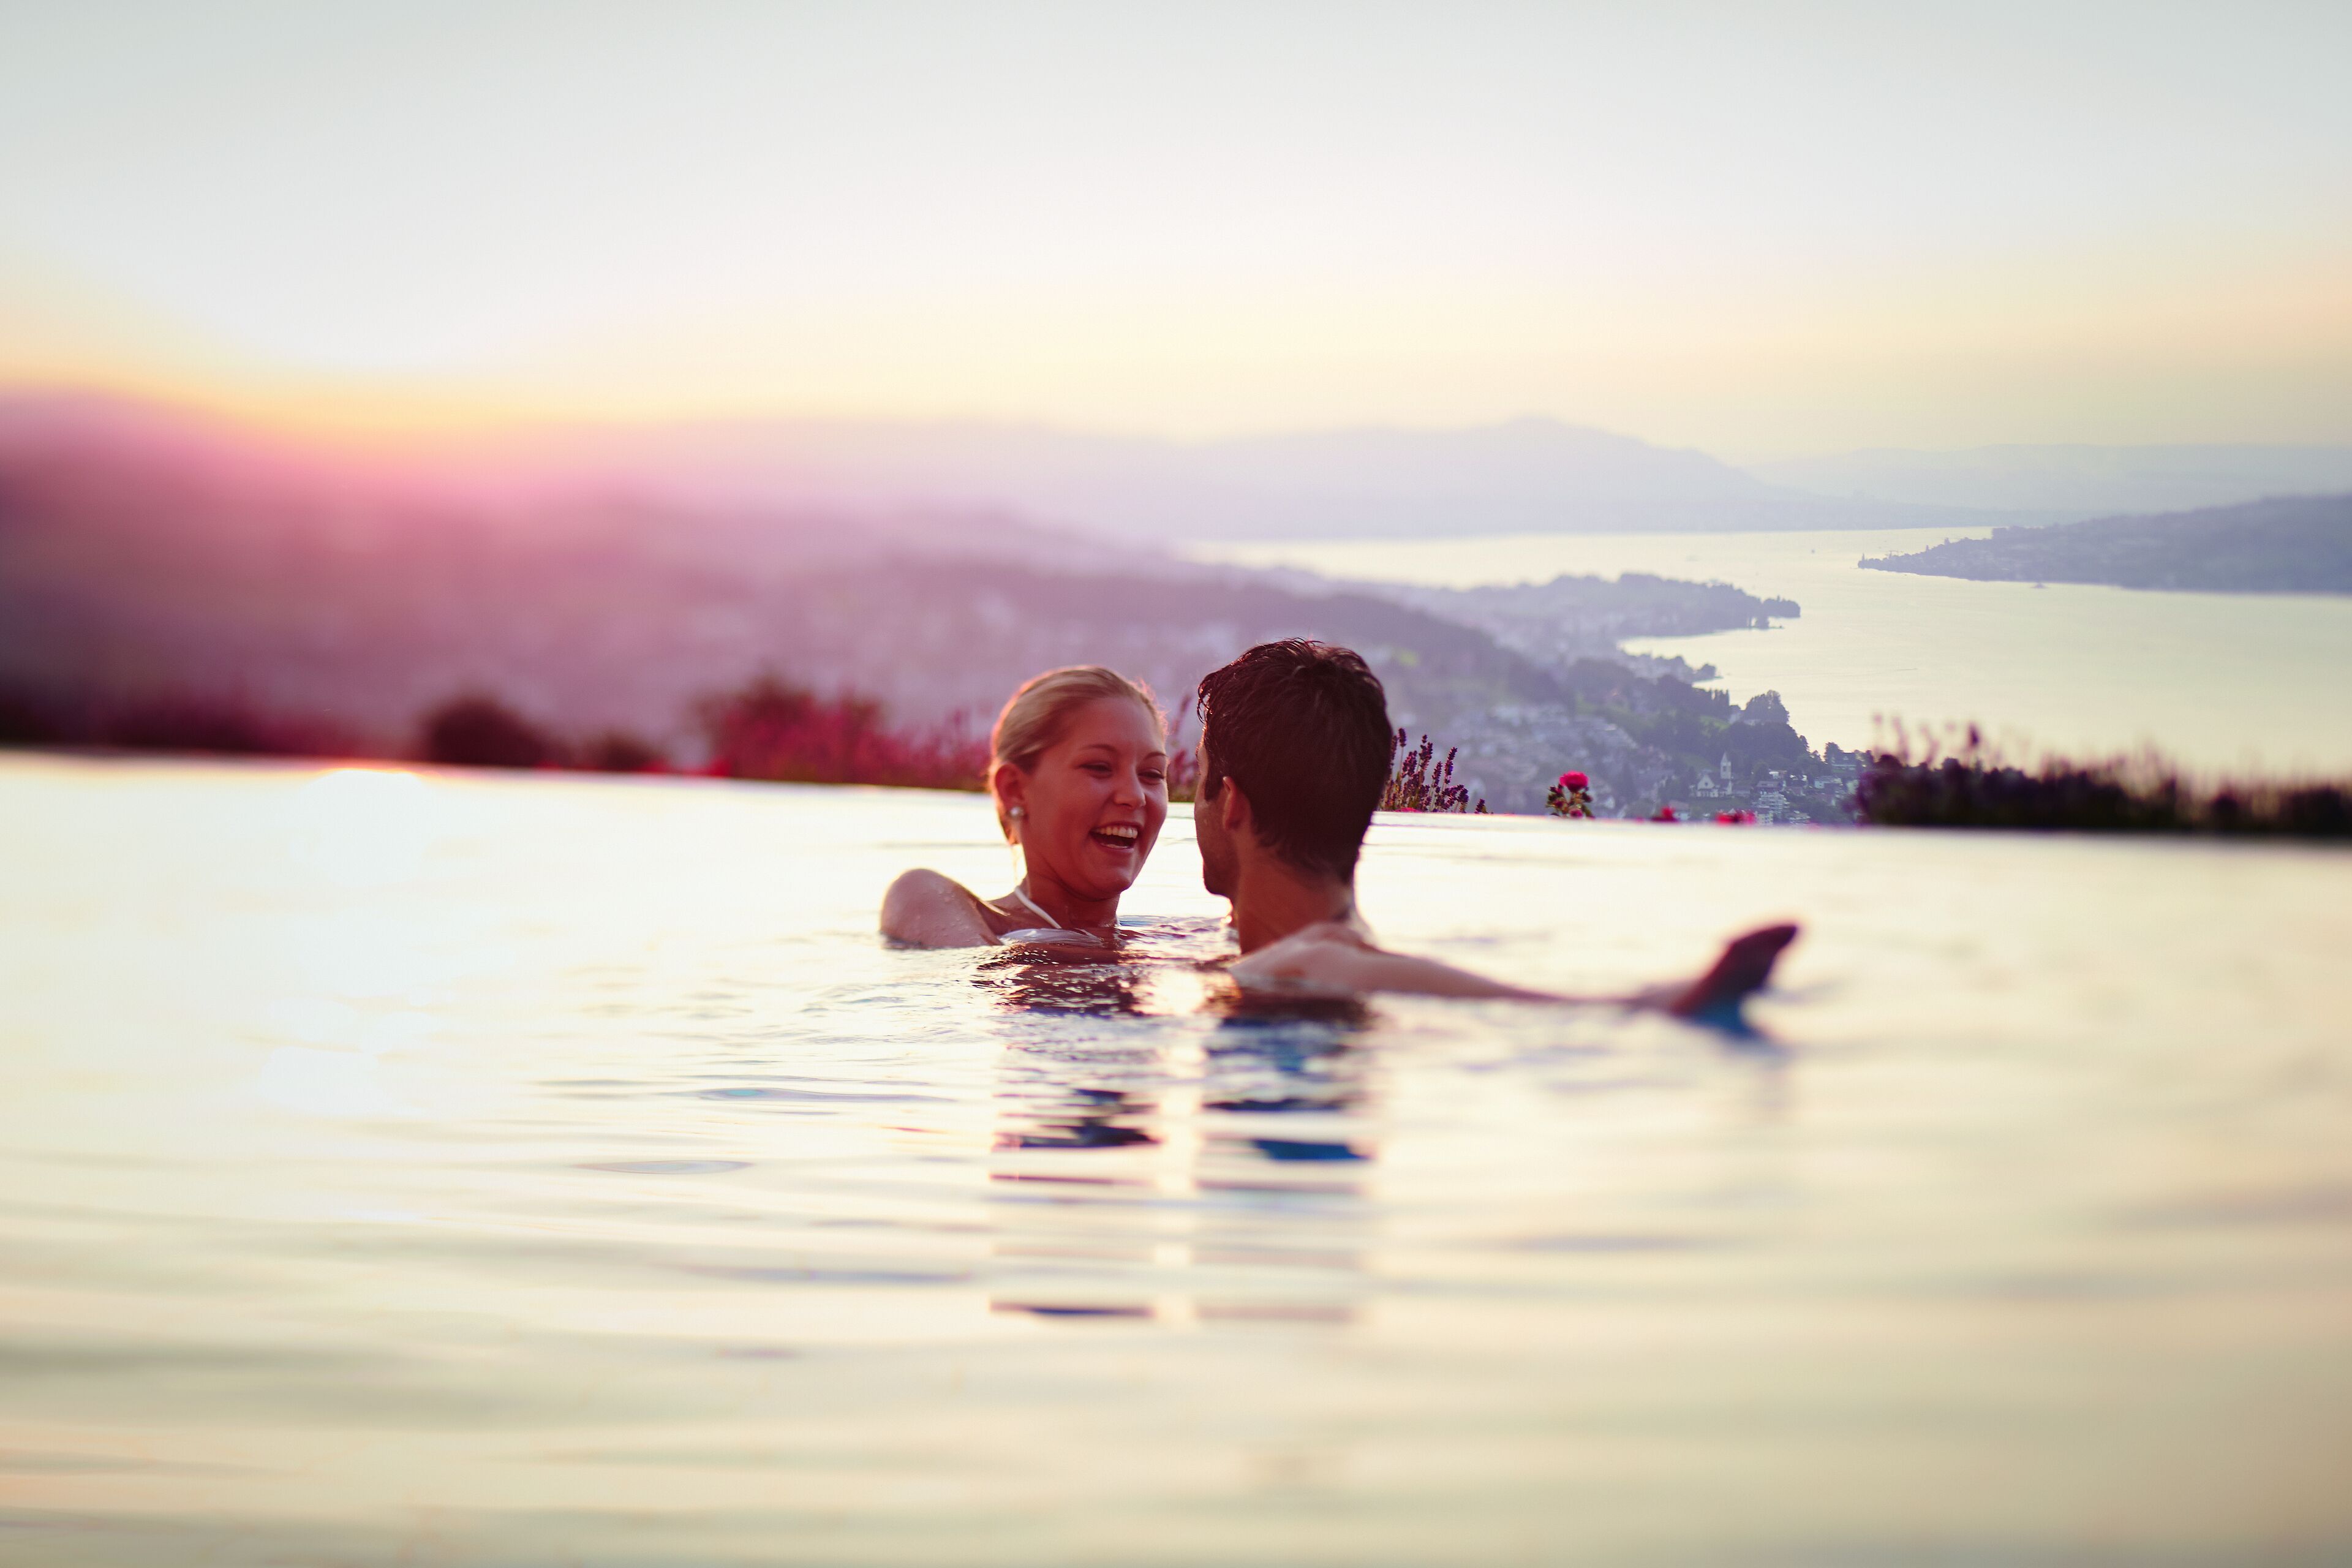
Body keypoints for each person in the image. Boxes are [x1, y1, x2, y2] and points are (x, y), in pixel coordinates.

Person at [1192, 639, 1797, 1019]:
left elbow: (1327, 966)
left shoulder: (1308, 963)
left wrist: (1643, 1006)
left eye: (1197, 781)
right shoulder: (1298, 944)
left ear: (1233, 805)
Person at [881, 666, 1170, 948]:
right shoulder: (933, 903)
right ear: (1014, 790)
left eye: (1152, 774)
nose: (1135, 796)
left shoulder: (1171, 939)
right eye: (1099, 767)